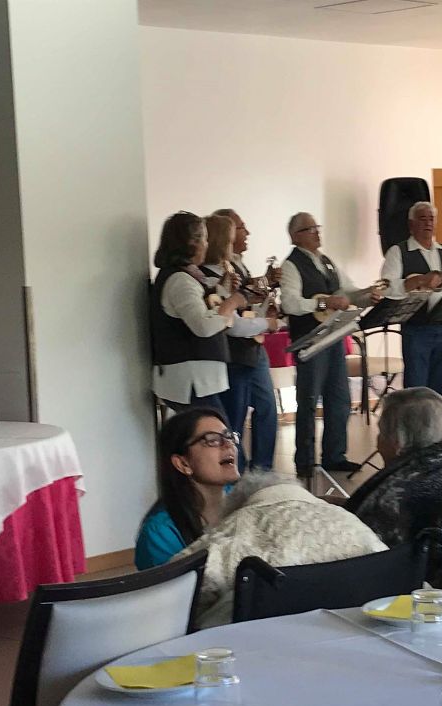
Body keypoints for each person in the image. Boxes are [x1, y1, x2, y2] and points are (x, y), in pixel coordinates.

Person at [174, 470, 387, 628]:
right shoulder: (350, 521)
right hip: (359, 637)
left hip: (253, 650)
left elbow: (175, 589)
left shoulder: (234, 529)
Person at [280, 212, 379, 479]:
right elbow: (290, 303)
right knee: (309, 400)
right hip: (310, 340)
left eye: (317, 227)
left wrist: (367, 296)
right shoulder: (291, 265)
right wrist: (323, 303)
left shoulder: (327, 261)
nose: (317, 232)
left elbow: (347, 291)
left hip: (333, 338)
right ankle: (305, 460)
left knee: (339, 399)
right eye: (310, 229)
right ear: (296, 236)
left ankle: (335, 456)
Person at [344, 387, 442, 547]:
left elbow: (357, 547)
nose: (378, 441)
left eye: (381, 433)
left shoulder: (389, 500)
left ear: (397, 442)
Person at [202, 211, 282, 471]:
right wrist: (267, 323)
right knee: (233, 421)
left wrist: (266, 300)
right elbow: (231, 322)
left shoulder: (235, 267)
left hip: (252, 348)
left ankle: (262, 471)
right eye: (241, 228)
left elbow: (248, 306)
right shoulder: (206, 276)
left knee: (267, 408)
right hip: (233, 355)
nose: (246, 233)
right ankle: (236, 474)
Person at [380, 202, 442, 399]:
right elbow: (386, 288)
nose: (428, 223)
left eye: (431, 219)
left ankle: (439, 419)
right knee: (416, 390)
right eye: (422, 219)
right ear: (411, 224)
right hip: (417, 329)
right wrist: (417, 281)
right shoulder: (398, 252)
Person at [150, 211, 245, 413]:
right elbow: (202, 326)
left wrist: (223, 290)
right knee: (216, 431)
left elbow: (202, 307)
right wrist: (233, 302)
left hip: (197, 379)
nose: (207, 245)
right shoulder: (180, 280)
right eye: (204, 239)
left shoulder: (186, 276)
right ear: (191, 243)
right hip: (192, 381)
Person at [134, 407, 240, 570]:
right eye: (212, 440)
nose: (228, 445)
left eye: (229, 436)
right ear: (183, 464)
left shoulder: (246, 502)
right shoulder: (160, 533)